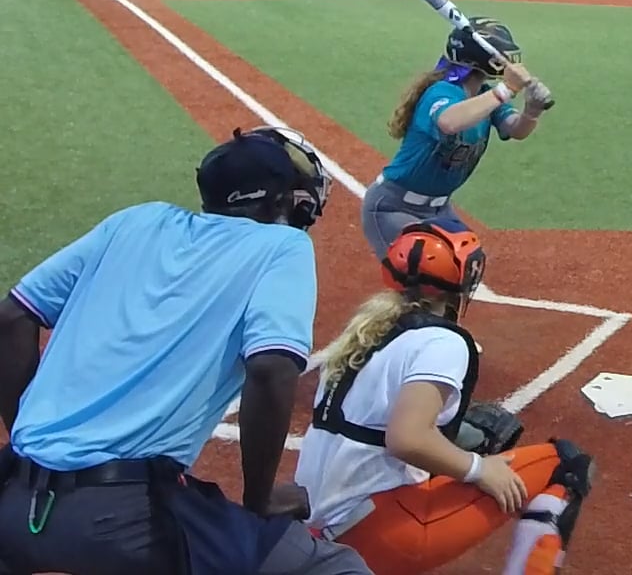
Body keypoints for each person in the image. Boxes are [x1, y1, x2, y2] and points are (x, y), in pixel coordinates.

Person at [0, 126, 373, 574]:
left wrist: (32, 443)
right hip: (126, 521)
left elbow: (12, 316)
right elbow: (272, 368)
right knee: (336, 567)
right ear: (279, 202)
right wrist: (259, 499)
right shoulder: (283, 246)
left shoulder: (136, 220)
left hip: (13, 501)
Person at [295, 223, 596, 573]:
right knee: (564, 464)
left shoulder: (365, 332)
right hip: (373, 530)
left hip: (313, 527)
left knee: (458, 450)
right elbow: (407, 439)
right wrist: (479, 468)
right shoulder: (443, 341)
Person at [361, 18, 550, 258]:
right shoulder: (442, 92)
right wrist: (506, 90)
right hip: (393, 207)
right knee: (424, 272)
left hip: (439, 210)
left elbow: (516, 130)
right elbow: (449, 122)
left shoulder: (484, 96)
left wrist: (532, 110)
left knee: (468, 263)